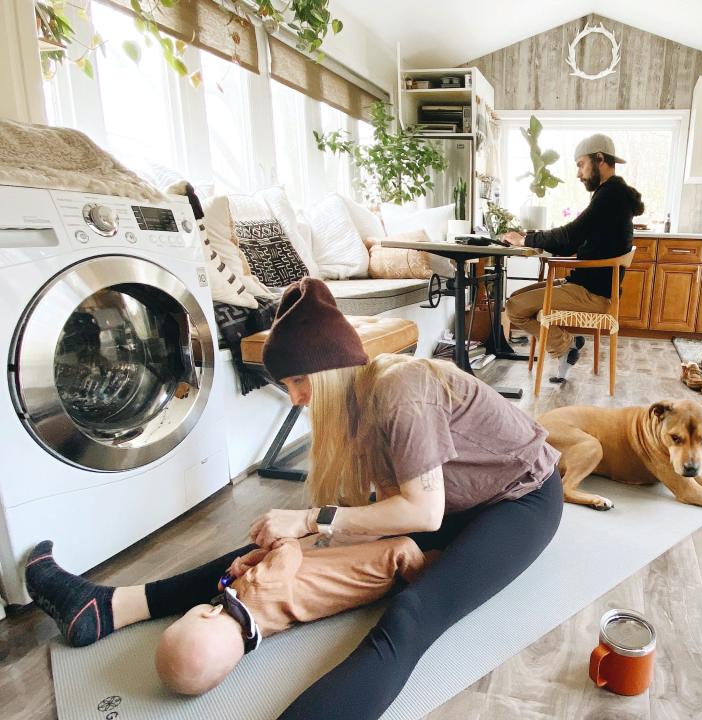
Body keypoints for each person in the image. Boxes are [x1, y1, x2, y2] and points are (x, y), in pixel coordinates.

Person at [25, 277, 563, 720]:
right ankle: (109, 607)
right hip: (457, 502)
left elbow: (423, 513)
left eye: (300, 383)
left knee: (412, 615)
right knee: (273, 543)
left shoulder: (401, 389)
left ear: (328, 371)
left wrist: (311, 517)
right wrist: (304, 532)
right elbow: (392, 513)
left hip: (522, 498)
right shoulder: (361, 410)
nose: (298, 399)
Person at [151, 535, 426, 695]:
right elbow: (289, 550)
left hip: (364, 590)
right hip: (380, 567)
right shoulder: (256, 587)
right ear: (209, 613)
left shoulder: (260, 627)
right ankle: (434, 574)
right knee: (403, 548)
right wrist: (277, 541)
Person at [503, 133, 644, 383]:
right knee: (516, 298)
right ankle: (567, 342)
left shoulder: (610, 196)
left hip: (592, 294)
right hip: (588, 286)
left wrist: (526, 240)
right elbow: (576, 240)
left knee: (514, 309)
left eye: (581, 164)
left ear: (599, 159)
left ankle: (565, 345)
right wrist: (535, 238)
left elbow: (570, 236)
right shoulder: (612, 194)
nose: (578, 173)